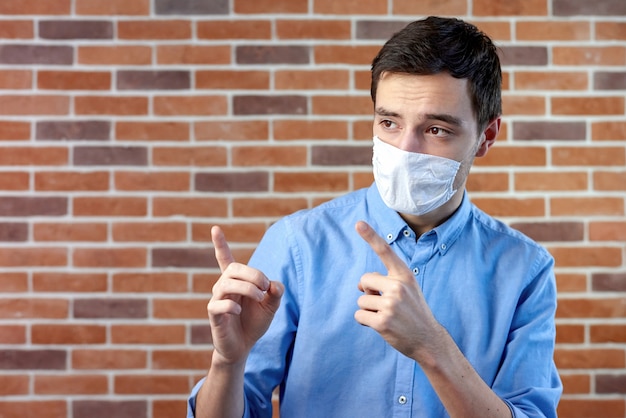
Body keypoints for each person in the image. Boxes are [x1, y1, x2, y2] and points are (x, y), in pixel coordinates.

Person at [187, 16, 562, 418]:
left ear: (486, 136)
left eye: (436, 129)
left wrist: (432, 348)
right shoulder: (299, 244)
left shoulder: (524, 269)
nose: (404, 149)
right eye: (389, 122)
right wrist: (228, 364)